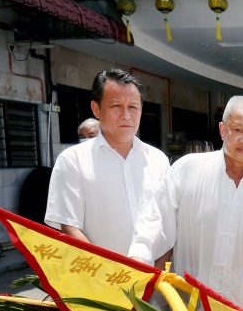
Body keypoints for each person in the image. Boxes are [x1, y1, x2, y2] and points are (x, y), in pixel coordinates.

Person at [128, 96, 243, 311]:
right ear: (223, 130)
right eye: (238, 129)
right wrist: (138, 260)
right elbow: (157, 224)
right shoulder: (188, 169)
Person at [45, 68, 169, 255]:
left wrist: (158, 273)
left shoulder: (158, 160)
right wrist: (109, 273)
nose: (126, 115)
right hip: (100, 279)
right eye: (116, 106)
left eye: (133, 107)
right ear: (96, 109)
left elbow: (168, 224)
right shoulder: (73, 161)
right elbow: (69, 227)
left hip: (155, 279)